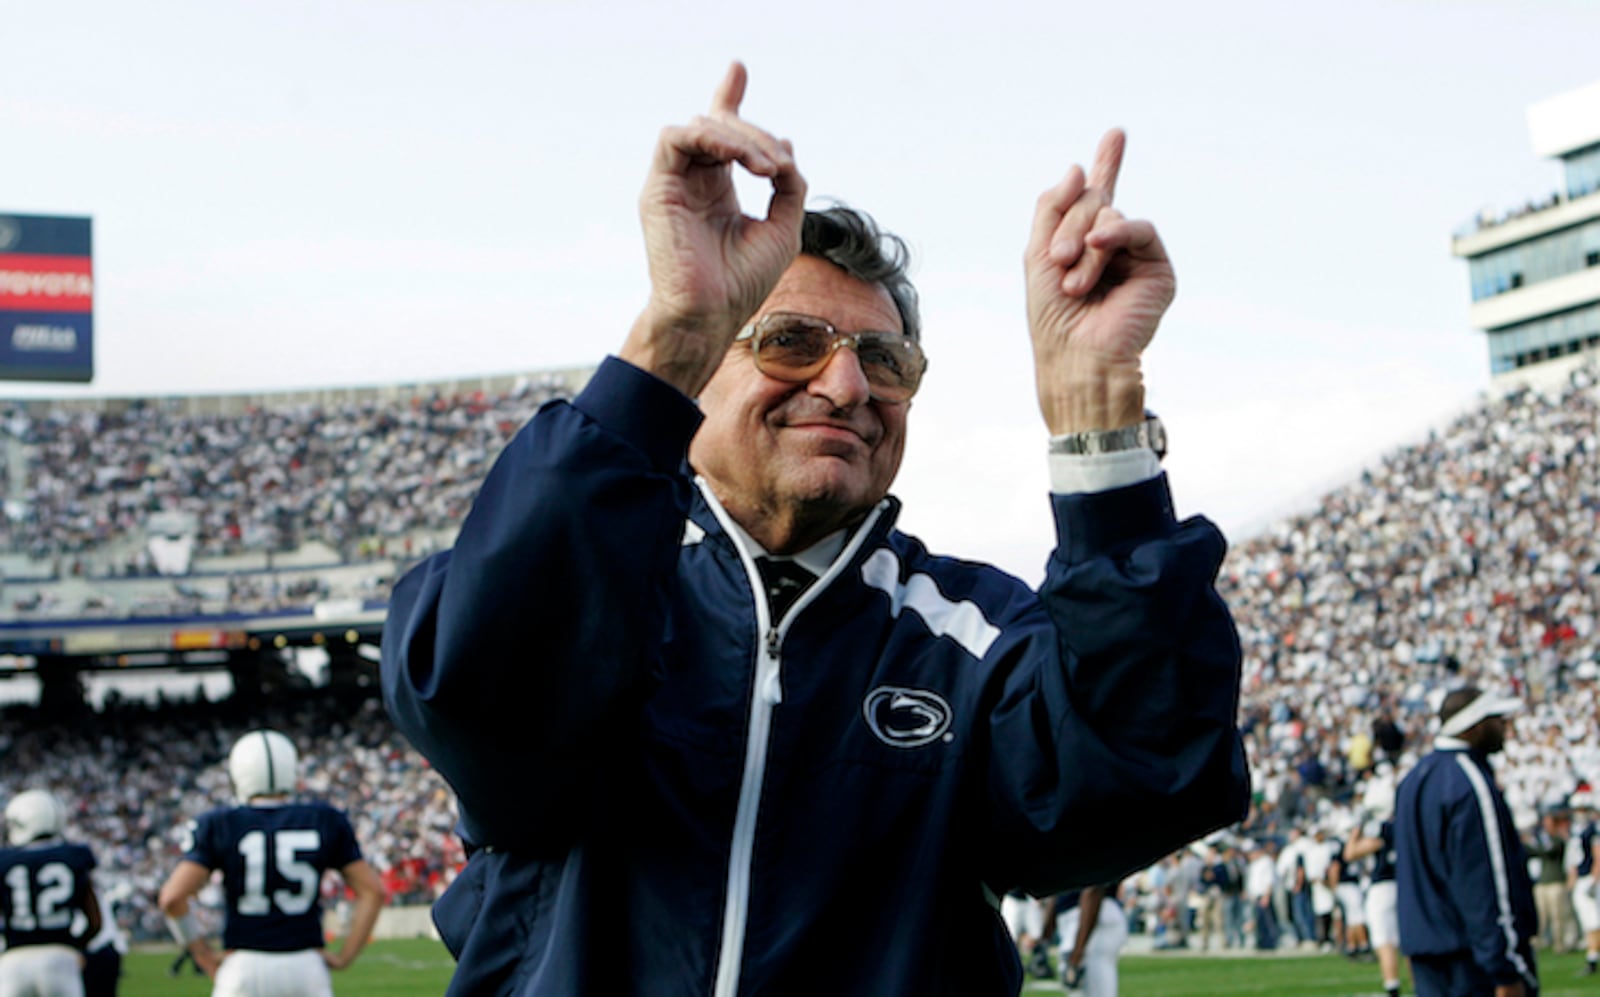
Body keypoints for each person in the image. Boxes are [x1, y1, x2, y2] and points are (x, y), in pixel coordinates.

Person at [380, 60, 1249, 994]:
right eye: (792, 342)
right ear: (707, 368)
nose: (846, 386)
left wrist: (1097, 413)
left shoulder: (976, 636)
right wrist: (675, 326)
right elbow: (478, 701)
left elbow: (1145, 774)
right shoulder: (596, 575)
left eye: (883, 359)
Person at [157, 729, 386, 996]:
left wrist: (203, 955)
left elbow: (172, 898)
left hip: (243, 967)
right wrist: (345, 956)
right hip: (306, 967)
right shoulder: (325, 819)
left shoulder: (220, 823)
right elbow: (373, 891)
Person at [1395, 686, 1538, 997]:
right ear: (1474, 725)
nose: (1504, 725)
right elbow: (1487, 882)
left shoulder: (1414, 778)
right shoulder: (1469, 781)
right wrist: (1504, 968)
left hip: (1429, 956)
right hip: (1472, 961)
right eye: (1496, 718)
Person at [0, 789, 102, 997]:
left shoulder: (4, 860)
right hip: (61, 959)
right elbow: (95, 922)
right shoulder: (75, 855)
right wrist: (74, 945)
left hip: (13, 962)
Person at [1347, 776, 1404, 997]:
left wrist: (1356, 828)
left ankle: (1392, 987)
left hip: (1381, 887)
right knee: (1405, 940)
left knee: (1384, 940)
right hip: (1402, 885)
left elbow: (1350, 853)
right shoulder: (1401, 825)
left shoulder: (1378, 828)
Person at [1046, 880, 1127, 995]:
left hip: (1089, 917)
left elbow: (1093, 885)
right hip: (1082, 916)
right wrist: (1044, 938)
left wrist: (1078, 952)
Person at [1524, 803, 1574, 955]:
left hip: (1556, 881)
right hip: (1543, 882)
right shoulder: (1543, 839)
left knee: (1558, 916)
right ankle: (1539, 942)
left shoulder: (1558, 839)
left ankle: (1561, 943)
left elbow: (1547, 852)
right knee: (1542, 916)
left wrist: (1527, 844)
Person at [1567, 792, 1600, 975]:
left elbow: (1598, 856)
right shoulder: (1576, 830)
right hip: (1581, 878)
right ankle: (1592, 956)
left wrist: (1595, 879)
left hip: (1590, 879)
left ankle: (1592, 958)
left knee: (1594, 922)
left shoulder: (1592, 830)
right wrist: (1572, 879)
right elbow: (1574, 859)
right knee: (1588, 923)